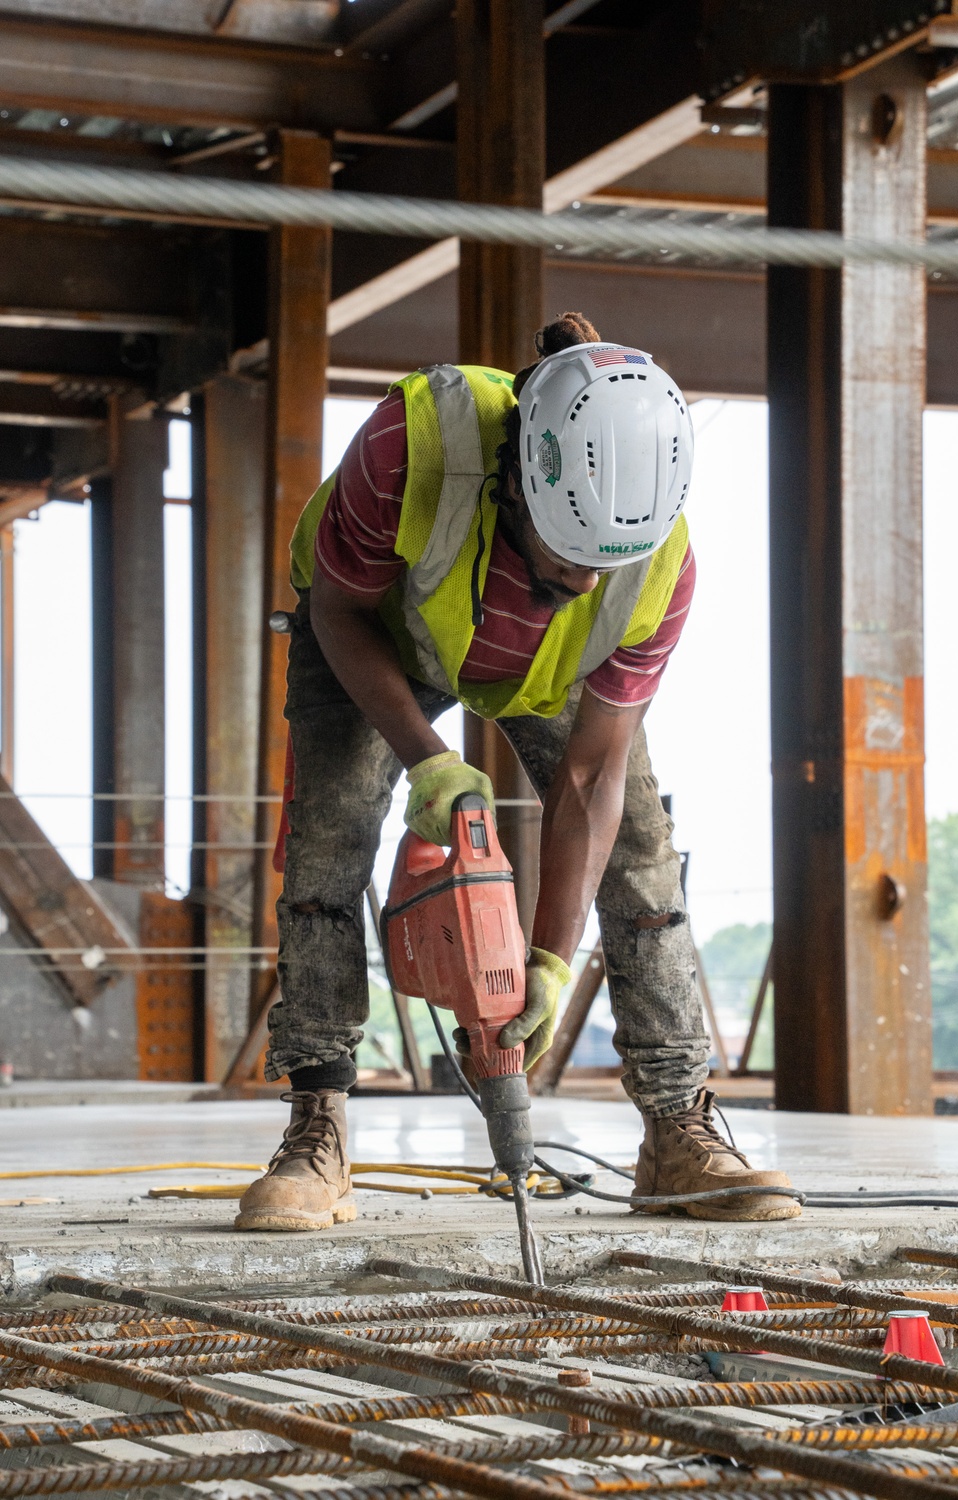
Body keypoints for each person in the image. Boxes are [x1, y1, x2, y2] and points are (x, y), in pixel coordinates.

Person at [236, 312, 799, 1232]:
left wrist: (544, 955)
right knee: (328, 839)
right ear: (517, 481)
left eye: (603, 564)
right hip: (376, 632)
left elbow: (592, 779)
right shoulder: (409, 445)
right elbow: (338, 613)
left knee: (644, 850)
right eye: (564, 559)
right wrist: (428, 760)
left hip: (546, 672)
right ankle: (317, 1131)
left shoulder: (659, 570)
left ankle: (676, 1129)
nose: (584, 584)